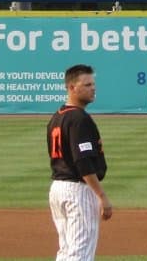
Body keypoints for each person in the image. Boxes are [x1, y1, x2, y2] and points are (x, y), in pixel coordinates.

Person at [47, 63, 113, 261]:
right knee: (80, 254)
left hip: (58, 188)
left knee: (66, 251)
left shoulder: (57, 117)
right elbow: (83, 161)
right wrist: (102, 196)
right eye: (86, 85)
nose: (93, 88)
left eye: (93, 84)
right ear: (71, 87)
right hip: (78, 191)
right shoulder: (79, 119)